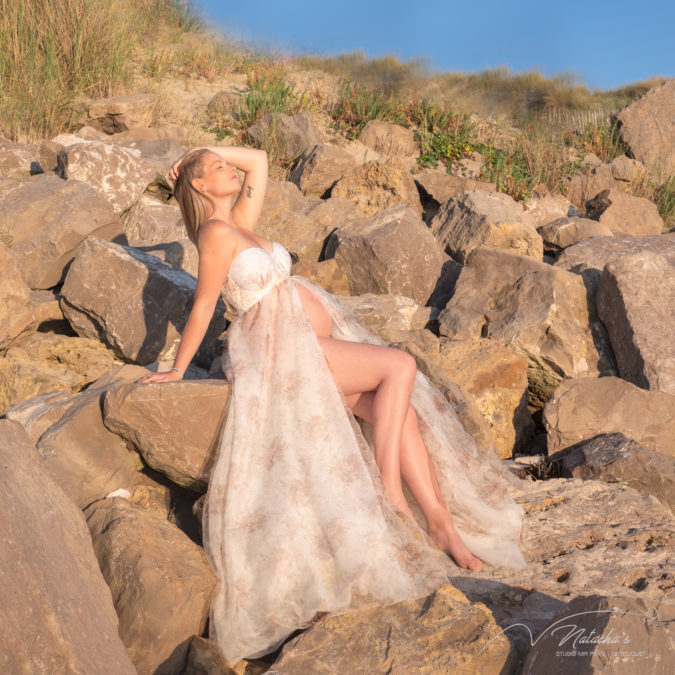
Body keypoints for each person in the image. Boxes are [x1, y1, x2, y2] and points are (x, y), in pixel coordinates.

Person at [136, 145, 528, 666]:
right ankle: (389, 495)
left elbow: (257, 157)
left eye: (226, 165)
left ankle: (439, 522)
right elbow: (206, 302)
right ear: (202, 187)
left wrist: (200, 154)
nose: (231, 169)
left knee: (402, 410)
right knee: (399, 367)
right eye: (217, 169)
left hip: (309, 347)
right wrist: (179, 370)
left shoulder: (242, 220)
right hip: (280, 353)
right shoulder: (214, 234)